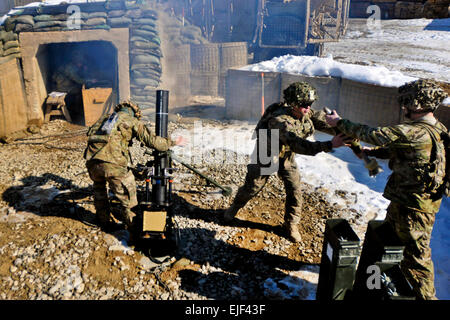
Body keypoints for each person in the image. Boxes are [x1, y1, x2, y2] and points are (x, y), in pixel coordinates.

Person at [325, 79, 448, 300]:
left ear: (418, 104)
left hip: (414, 210)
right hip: (407, 204)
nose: (404, 108)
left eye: (407, 103)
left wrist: (339, 122)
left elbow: (375, 134)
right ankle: (378, 289)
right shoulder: (436, 129)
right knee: (388, 248)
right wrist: (372, 153)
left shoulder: (414, 132)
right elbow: (405, 152)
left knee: (417, 264)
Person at [223, 81, 350, 242]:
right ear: (293, 104)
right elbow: (299, 145)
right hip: (267, 154)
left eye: (310, 104)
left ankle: (291, 224)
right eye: (304, 104)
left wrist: (343, 127)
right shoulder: (279, 120)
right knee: (253, 187)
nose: (308, 108)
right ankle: (234, 208)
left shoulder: (304, 112)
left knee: (295, 188)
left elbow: (322, 121)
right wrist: (330, 144)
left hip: (286, 155)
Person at [84, 100, 184, 233]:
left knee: (100, 192)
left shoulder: (105, 118)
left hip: (92, 163)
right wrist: (173, 142)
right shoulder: (132, 120)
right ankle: (134, 229)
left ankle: (104, 222)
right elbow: (153, 142)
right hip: (113, 164)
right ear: (135, 113)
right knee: (128, 198)